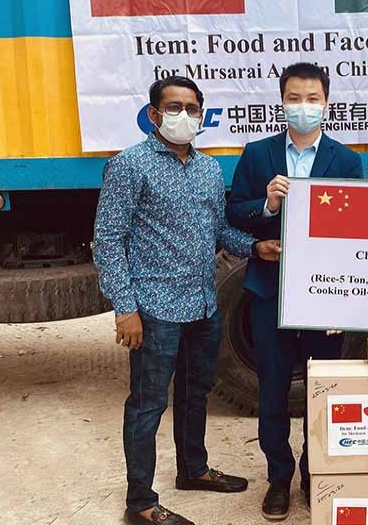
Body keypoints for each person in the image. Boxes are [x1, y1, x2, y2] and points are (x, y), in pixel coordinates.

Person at [94, 76, 281, 525]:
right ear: (154, 115)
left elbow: (218, 231)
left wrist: (256, 248)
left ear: (202, 115)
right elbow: (107, 239)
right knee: (147, 402)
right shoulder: (129, 166)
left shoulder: (208, 168)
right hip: (154, 307)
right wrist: (125, 308)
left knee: (196, 391)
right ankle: (140, 501)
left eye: (192, 108)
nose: (183, 115)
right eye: (173, 107)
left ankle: (193, 469)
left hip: (203, 305)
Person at [226, 63, 363, 521]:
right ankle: (279, 479)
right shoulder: (258, 154)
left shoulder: (345, 161)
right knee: (273, 390)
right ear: (281, 101)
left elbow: (357, 230)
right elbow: (235, 214)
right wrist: (266, 206)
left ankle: (314, 473)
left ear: (326, 103)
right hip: (270, 294)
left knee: (321, 390)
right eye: (294, 98)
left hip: (323, 298)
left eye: (312, 99)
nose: (303, 107)